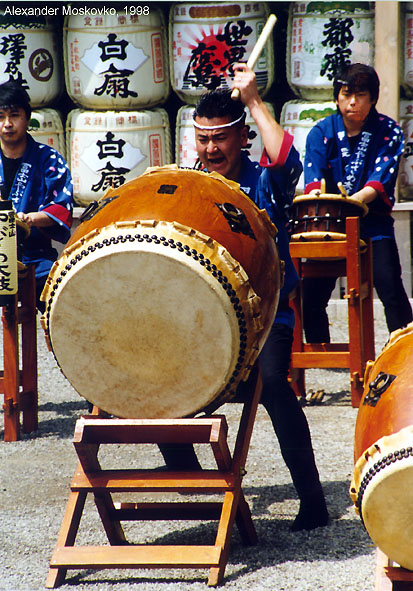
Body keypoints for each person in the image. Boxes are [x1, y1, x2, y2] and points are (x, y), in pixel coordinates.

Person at [159, 63, 329, 531]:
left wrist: (253, 100)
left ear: (240, 139)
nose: (211, 149)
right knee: (156, 377)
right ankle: (198, 490)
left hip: (267, 314)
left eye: (220, 139)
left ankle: (312, 499)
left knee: (274, 383)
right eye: (203, 139)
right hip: (205, 317)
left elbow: (287, 160)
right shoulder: (191, 187)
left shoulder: (265, 181)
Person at [302, 63, 412, 343]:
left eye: (360, 95)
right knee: (311, 295)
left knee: (391, 287)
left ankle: (404, 352)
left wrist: (350, 202)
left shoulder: (389, 130)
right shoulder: (321, 132)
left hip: (372, 223)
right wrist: (328, 202)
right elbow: (314, 185)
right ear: (336, 96)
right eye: (346, 93)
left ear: (373, 98)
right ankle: (323, 354)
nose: (352, 102)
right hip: (329, 223)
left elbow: (377, 183)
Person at [0, 81, 73, 312]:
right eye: (0, 117)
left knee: (64, 303)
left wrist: (29, 219)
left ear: (27, 118)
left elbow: (62, 207)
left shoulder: (49, 159)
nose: (7, 124)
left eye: (14, 115)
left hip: (36, 257)